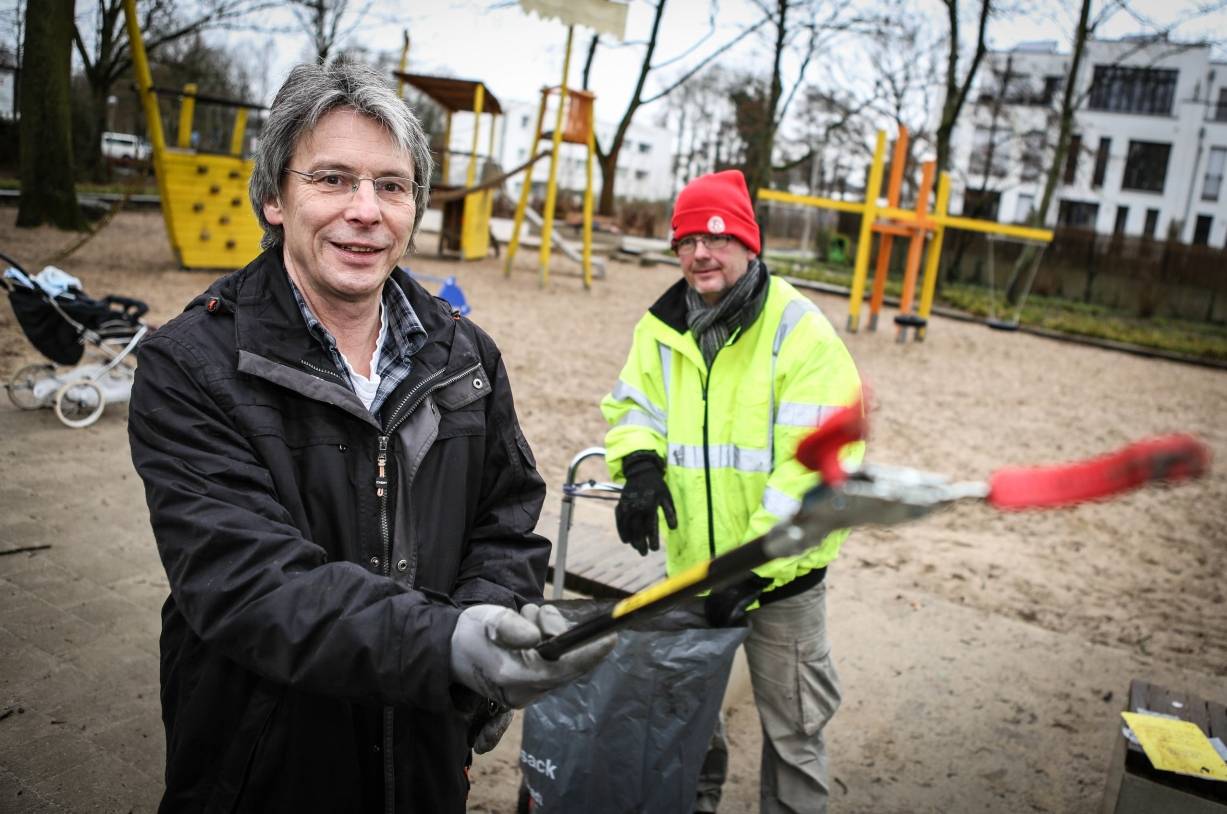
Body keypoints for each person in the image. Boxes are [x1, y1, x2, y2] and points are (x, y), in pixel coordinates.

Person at [128, 61, 611, 813]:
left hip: (424, 752)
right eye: (331, 179)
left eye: (391, 185)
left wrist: (486, 630)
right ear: (273, 198)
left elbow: (507, 524)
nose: (366, 210)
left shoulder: (467, 358)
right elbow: (249, 583)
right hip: (264, 767)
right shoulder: (189, 366)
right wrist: (446, 645)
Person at [601, 169, 862, 814]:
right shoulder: (661, 327)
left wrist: (755, 565)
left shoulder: (798, 331)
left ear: (750, 244)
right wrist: (638, 468)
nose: (699, 253)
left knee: (795, 732)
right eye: (686, 240)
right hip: (694, 574)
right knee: (686, 725)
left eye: (715, 237)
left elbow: (819, 466)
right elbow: (634, 406)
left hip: (785, 584)